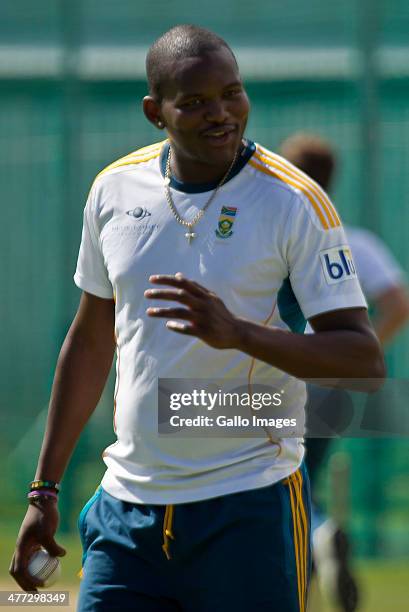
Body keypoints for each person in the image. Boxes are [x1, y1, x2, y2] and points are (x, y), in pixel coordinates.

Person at [10, 25, 384, 612]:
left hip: (248, 505)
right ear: (154, 112)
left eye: (232, 93)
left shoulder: (293, 200)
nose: (222, 114)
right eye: (196, 102)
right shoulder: (113, 189)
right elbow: (89, 340)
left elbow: (361, 356)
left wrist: (238, 334)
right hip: (126, 510)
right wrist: (44, 487)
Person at [280, 132, 409, 612]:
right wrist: (358, 352)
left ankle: (315, 537)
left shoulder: (276, 237)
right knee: (302, 476)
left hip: (282, 376)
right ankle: (317, 549)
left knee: (279, 480)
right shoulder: (354, 241)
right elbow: (398, 304)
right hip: (333, 383)